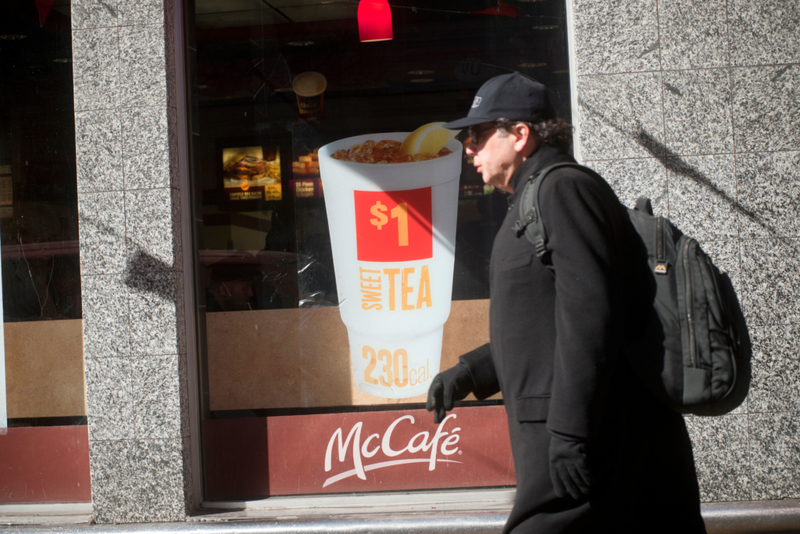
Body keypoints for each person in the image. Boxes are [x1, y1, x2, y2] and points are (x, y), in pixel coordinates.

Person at [426, 73, 706, 533]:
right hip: (569, 439)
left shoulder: (562, 189)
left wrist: (570, 434)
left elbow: (590, 313)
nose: (468, 148)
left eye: (476, 135)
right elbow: (546, 319)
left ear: (519, 134)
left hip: (590, 440)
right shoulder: (533, 197)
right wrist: (472, 372)